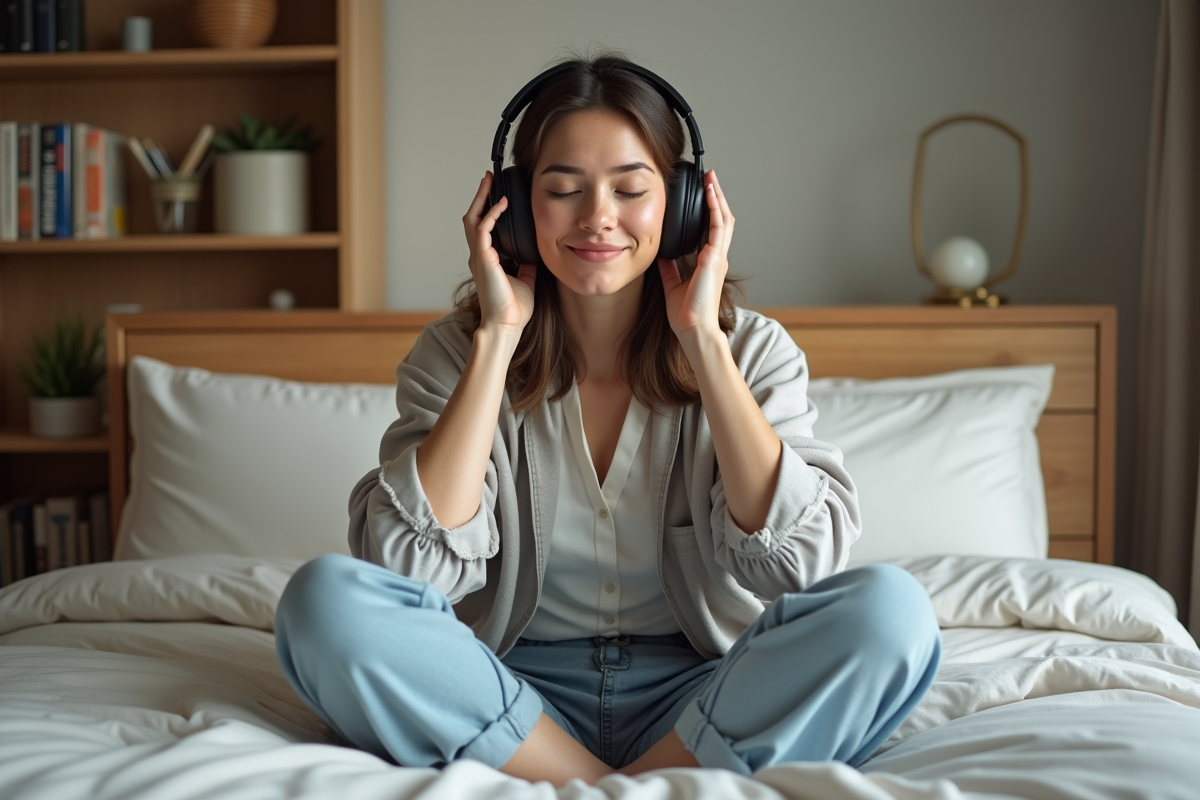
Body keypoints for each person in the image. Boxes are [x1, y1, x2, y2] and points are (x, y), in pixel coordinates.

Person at [274, 53, 941, 787]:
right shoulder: (456, 354)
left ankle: (577, 780)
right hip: (506, 693)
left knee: (891, 614)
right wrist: (496, 342)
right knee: (323, 602)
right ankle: (629, 781)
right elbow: (403, 569)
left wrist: (705, 346)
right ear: (518, 209)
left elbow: (802, 566)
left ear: (685, 204)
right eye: (563, 190)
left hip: (704, 693)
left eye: (630, 189)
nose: (598, 217)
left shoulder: (749, 350)